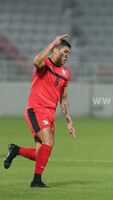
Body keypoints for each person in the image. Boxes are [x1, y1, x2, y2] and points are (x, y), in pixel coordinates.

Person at [4, 34, 76, 188]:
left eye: (68, 54)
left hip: (49, 114)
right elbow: (35, 61)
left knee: (41, 154)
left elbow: (63, 100)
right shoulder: (45, 64)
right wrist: (52, 43)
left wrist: (70, 122)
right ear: (55, 50)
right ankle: (36, 181)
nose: (67, 56)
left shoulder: (65, 73)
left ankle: (16, 150)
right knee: (49, 142)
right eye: (64, 52)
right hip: (36, 110)